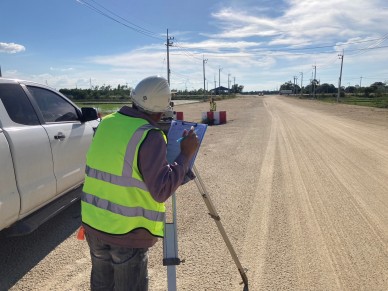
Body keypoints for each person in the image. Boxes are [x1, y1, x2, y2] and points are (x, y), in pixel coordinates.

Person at [81, 75, 199, 291]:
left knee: (101, 285)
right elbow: (161, 190)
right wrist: (185, 155)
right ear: (162, 109)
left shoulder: (106, 122)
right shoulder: (149, 135)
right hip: (126, 233)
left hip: (94, 224)